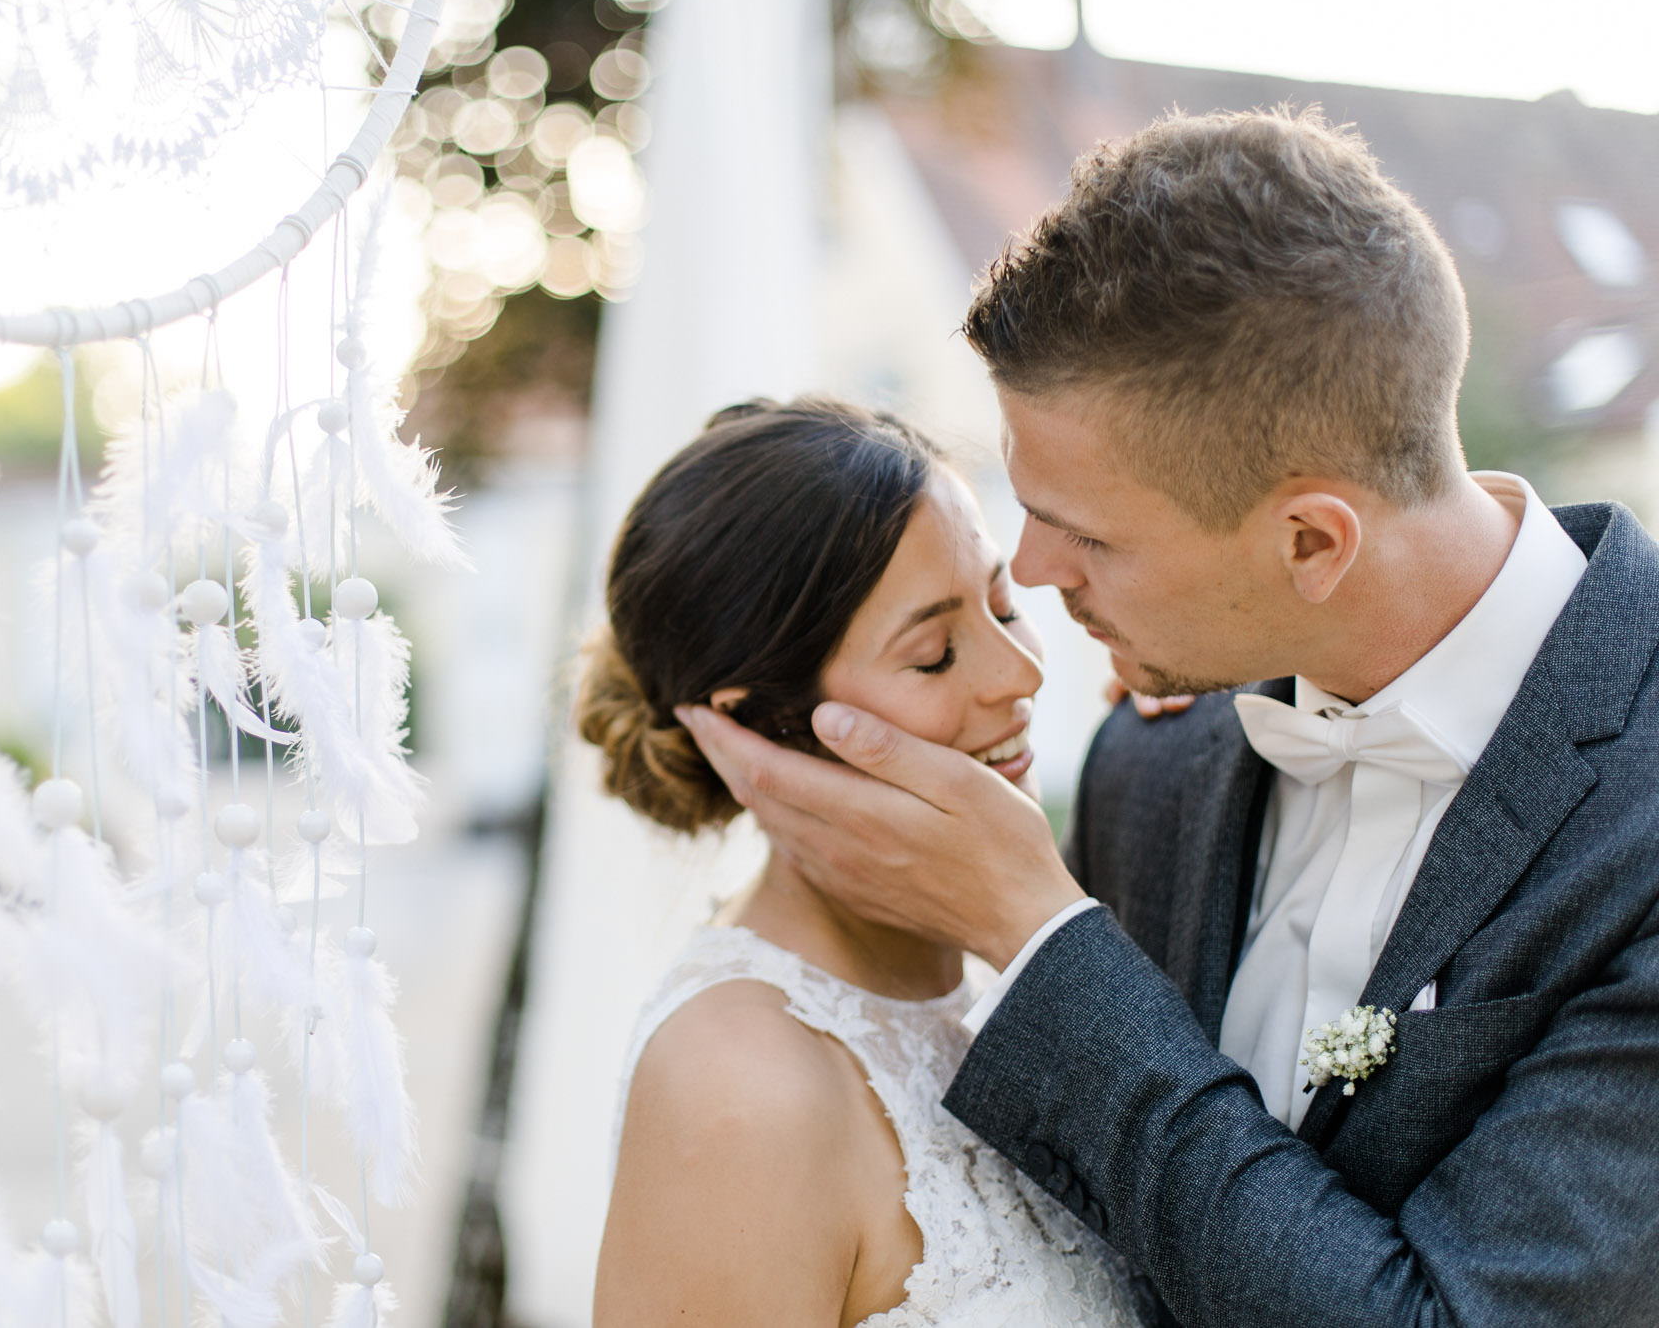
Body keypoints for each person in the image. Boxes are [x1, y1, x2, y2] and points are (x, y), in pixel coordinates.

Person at [678, 106, 1659, 1325]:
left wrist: (1042, 942)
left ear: (1308, 541)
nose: (1030, 574)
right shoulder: (1157, 751)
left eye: (1084, 533)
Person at [581, 398, 1144, 1326]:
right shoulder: (739, 1088)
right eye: (933, 655)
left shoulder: (1013, 966)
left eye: (1004, 604)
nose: (1020, 673)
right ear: (765, 727)